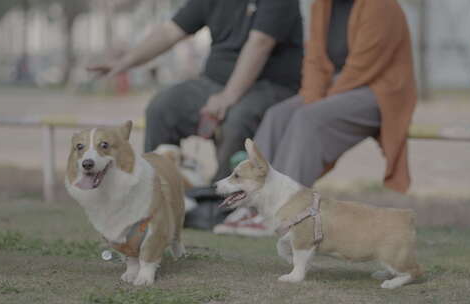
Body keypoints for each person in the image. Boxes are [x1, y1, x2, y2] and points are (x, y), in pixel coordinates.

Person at [214, 0, 417, 236]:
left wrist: (319, 102)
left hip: (379, 90)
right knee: (278, 115)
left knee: (307, 119)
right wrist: (312, 96)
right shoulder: (321, 5)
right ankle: (254, 205)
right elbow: (315, 60)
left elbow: (363, 68)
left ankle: (284, 212)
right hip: (336, 87)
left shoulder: (381, 6)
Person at [88, 0, 303, 182]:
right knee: (162, 107)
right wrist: (126, 61)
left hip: (271, 87)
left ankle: (219, 203)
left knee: (238, 119)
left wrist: (228, 96)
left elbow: (261, 43)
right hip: (214, 82)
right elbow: (170, 31)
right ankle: (160, 192)